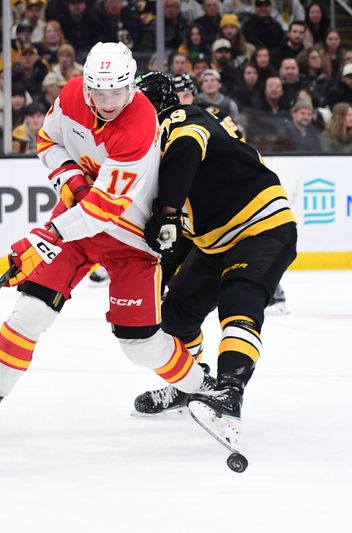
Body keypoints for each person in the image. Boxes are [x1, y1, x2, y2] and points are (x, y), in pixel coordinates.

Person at [0, 42, 213, 444]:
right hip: (76, 224)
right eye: (99, 91)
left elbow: (103, 209)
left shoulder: (140, 123)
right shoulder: (71, 94)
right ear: (86, 84)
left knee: (139, 346)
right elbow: (47, 143)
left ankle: (201, 386)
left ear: (132, 87)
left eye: (117, 92)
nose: (107, 102)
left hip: (129, 237)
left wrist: (46, 236)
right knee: (28, 314)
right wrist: (69, 178)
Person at [132, 73, 296, 446]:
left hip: (262, 228)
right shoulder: (153, 145)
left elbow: (188, 148)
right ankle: (192, 384)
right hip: (213, 242)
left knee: (239, 302)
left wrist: (169, 210)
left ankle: (229, 393)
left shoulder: (178, 119)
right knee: (175, 314)